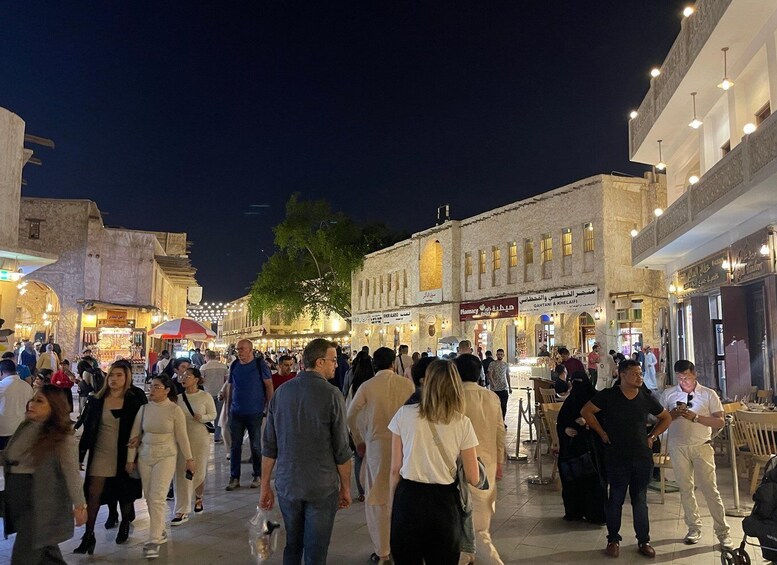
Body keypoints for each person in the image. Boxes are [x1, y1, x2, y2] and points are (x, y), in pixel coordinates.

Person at [260, 338, 352, 564]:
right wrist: (346, 488)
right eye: (333, 360)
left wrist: (265, 486)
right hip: (321, 485)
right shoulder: (332, 395)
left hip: (288, 483)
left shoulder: (281, 393)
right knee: (316, 549)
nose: (336, 365)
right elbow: (341, 448)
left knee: (293, 543)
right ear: (320, 362)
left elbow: (269, 446)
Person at [388, 359, 480, 564]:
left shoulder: (404, 414)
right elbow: (473, 477)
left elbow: (395, 469)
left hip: (408, 498)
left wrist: (392, 507)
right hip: (443, 502)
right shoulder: (462, 423)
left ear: (426, 383)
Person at [581, 359, 672, 559]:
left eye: (640, 374)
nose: (640, 377)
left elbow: (666, 417)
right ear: (622, 375)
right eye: (635, 374)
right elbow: (586, 411)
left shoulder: (646, 397)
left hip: (641, 455)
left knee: (640, 500)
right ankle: (613, 539)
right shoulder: (609, 396)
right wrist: (602, 433)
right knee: (616, 499)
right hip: (617, 456)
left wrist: (652, 436)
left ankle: (643, 540)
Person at [2, 385, 87, 564]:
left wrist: (79, 505)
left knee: (25, 555)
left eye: (39, 401)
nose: (31, 404)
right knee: (46, 552)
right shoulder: (26, 427)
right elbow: (10, 456)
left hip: (38, 502)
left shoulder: (61, 436)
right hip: (17, 497)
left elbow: (71, 471)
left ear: (53, 407)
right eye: (33, 399)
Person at [347, 347, 415, 564]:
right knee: (402, 496)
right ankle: (402, 545)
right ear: (393, 364)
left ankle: (382, 551)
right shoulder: (406, 384)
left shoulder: (368, 386)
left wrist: (358, 440)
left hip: (377, 445)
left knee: (377, 498)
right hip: (404, 445)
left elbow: (350, 414)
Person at [74, 360, 147, 553]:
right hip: (101, 451)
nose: (114, 379)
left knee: (124, 491)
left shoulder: (134, 398)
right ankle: (88, 536)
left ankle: (124, 523)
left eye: (119, 375)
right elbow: (89, 428)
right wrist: (80, 455)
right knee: (93, 493)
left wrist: (140, 440)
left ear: (127, 378)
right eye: (111, 375)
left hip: (125, 452)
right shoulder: (98, 398)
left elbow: (144, 422)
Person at [660, 360, 732, 549]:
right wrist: (673, 414)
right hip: (678, 447)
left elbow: (719, 422)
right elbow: (658, 419)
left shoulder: (708, 394)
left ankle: (723, 531)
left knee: (710, 489)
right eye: (681, 378)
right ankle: (693, 527)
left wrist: (696, 417)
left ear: (695, 374)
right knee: (685, 489)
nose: (684, 381)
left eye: (687, 377)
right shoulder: (669, 394)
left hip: (701, 445)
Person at [126, 374, 194, 560]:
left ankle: (153, 539)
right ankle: (160, 530)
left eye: (157, 386)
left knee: (157, 496)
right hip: (146, 455)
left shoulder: (174, 410)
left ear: (167, 390)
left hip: (166, 456)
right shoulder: (144, 409)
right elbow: (134, 434)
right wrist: (130, 459)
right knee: (149, 496)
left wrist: (189, 458)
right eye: (151, 386)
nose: (152, 389)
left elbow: (182, 436)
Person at [455, 354, 505, 565]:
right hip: (488, 465)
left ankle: (478, 557)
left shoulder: (455, 398)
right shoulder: (491, 397)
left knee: (469, 521)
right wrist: (500, 462)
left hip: (461, 466)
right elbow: (499, 432)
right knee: (481, 519)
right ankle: (468, 556)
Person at [556, 371, 606, 524]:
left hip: (593, 450)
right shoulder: (570, 402)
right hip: (573, 451)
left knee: (594, 482)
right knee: (572, 482)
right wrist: (566, 430)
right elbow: (562, 422)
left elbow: (604, 423)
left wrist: (588, 423)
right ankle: (574, 511)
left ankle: (596, 514)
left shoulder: (597, 400)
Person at [225, 339, 273, 490]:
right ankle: (234, 477)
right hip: (236, 411)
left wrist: (269, 406)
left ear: (250, 350)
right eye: (238, 349)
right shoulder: (235, 365)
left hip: (255, 412)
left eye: (242, 349)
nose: (239, 352)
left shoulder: (260, 365)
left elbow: (269, 386)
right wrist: (228, 408)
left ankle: (257, 474)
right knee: (235, 446)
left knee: (256, 445)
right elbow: (230, 387)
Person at [173, 367, 217, 524]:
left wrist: (203, 417)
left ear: (197, 379)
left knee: (198, 470)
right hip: (182, 438)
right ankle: (181, 509)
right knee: (181, 472)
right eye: (183, 376)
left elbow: (213, 414)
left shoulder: (205, 397)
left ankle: (198, 497)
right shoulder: (178, 398)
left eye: (188, 376)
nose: (184, 378)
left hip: (200, 437)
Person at [345, 353, 375, 502]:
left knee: (358, 458)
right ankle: (372, 487)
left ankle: (362, 492)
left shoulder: (355, 386)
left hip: (357, 427)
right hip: (372, 426)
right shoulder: (374, 385)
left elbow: (348, 407)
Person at [0, 358, 34, 449]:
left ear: (1, 372)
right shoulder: (27, 387)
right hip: (20, 431)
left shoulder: (1, 386)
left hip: (3, 431)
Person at [200, 349, 229, 443]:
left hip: (208, 393)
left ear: (207, 357)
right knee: (219, 415)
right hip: (220, 393)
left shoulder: (204, 367)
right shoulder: (223, 366)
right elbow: (226, 380)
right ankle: (217, 436)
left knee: (206, 414)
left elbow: (201, 380)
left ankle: (205, 434)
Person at [487, 348, 512, 423]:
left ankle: (502, 421)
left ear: (503, 355)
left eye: (501, 354)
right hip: (495, 389)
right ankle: (495, 421)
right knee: (495, 405)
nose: (500, 355)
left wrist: (510, 386)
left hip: (504, 387)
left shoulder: (505, 364)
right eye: (498, 354)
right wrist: (493, 383)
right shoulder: (492, 364)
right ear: (496, 355)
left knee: (504, 405)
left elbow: (507, 375)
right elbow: (489, 374)